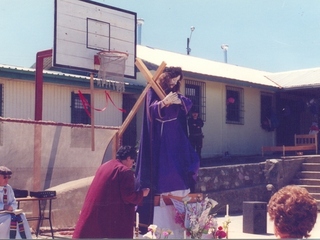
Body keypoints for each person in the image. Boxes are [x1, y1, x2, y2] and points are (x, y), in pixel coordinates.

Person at [135, 66, 200, 231]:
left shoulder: (175, 93)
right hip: (161, 136)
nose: (174, 83)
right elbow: (150, 111)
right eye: (172, 79)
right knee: (167, 164)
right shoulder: (153, 90)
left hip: (176, 135)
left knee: (188, 159)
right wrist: (163, 103)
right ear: (165, 77)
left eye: (177, 81)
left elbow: (187, 103)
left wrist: (180, 101)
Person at [72, 146, 150, 239]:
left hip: (96, 211)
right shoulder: (124, 171)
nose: (132, 164)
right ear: (128, 158)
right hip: (109, 214)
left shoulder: (106, 165)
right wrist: (142, 193)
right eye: (133, 161)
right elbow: (128, 196)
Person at [0, 166, 32, 239]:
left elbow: (14, 202)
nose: (7, 179)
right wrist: (3, 207)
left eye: (9, 177)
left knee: (21, 216)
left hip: (7, 213)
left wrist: (12, 207)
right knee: (9, 219)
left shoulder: (8, 188)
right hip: (2, 215)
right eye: (5, 177)